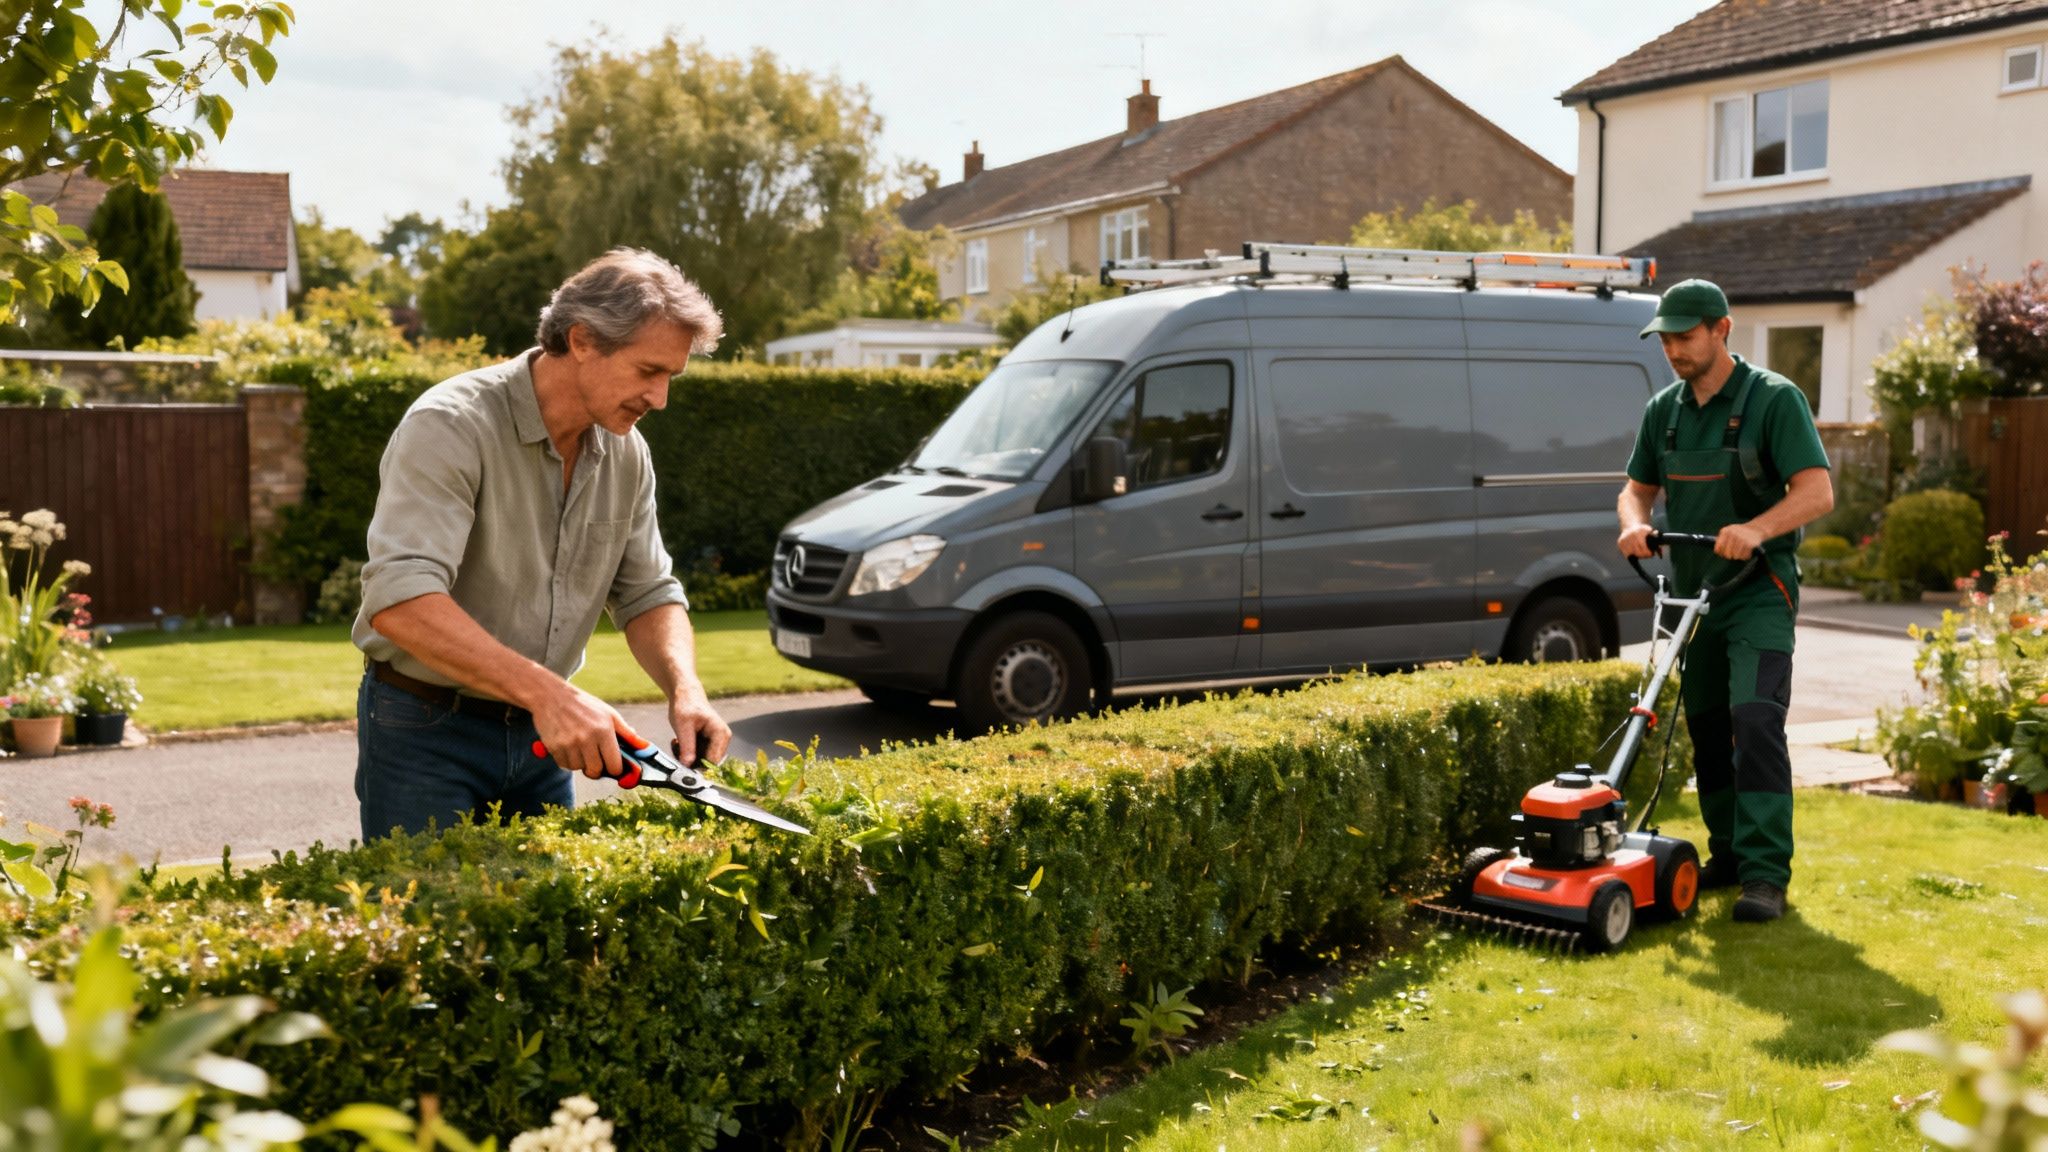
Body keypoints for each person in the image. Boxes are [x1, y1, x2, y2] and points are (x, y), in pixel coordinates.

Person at [351, 248, 733, 840]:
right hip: (425, 730)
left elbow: (648, 592)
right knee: (420, 922)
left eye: (671, 377)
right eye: (648, 372)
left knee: (543, 927)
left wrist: (686, 689)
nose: (660, 398)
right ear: (581, 340)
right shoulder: (451, 425)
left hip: (543, 739)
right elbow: (401, 598)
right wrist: (551, 695)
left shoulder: (626, 452)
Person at [1616, 279, 1834, 923]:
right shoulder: (1666, 410)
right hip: (1691, 595)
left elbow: (1818, 492)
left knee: (1756, 721)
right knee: (1708, 727)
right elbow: (1635, 490)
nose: (1675, 350)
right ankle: (1730, 856)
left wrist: (1758, 528)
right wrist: (1633, 520)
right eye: (1666, 340)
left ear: (1722, 330)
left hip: (1757, 592)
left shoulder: (1774, 400)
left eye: (1686, 337)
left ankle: (1766, 874)